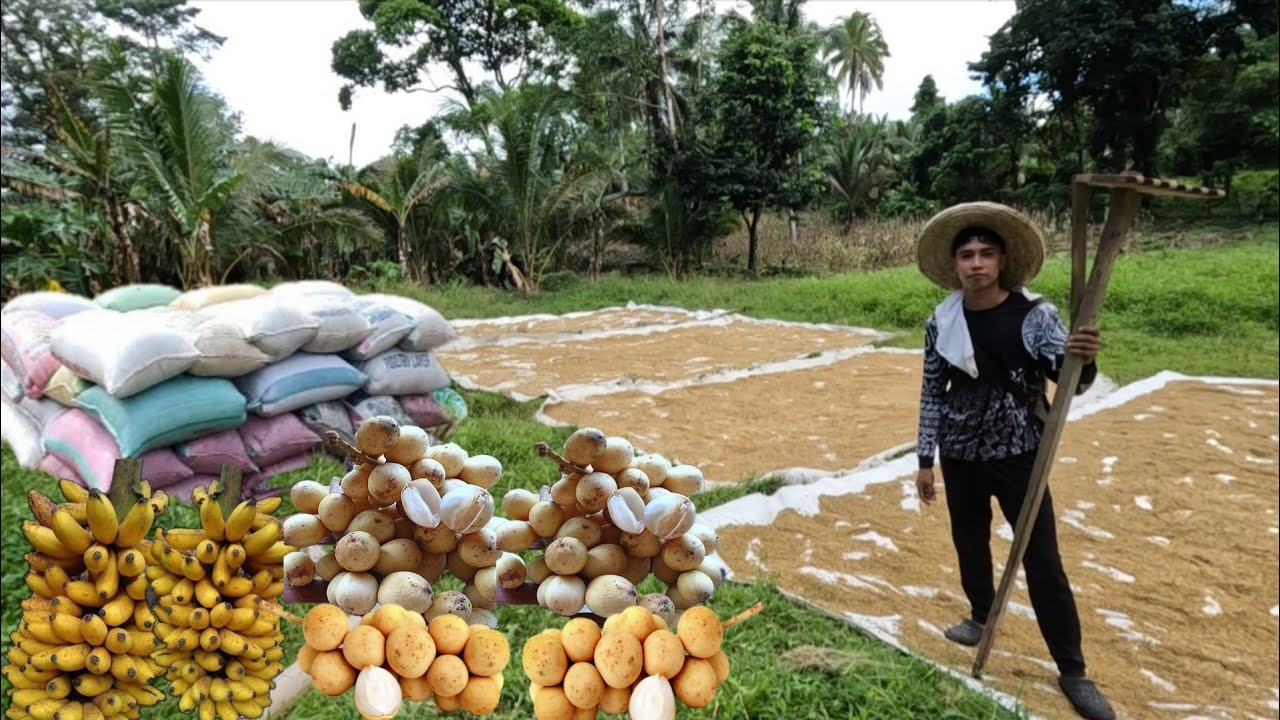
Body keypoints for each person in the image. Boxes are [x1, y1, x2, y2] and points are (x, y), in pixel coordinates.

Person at [913, 202, 1115, 720]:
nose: (975, 263)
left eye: (985, 254)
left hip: (1019, 453)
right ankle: (981, 615)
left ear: (1002, 261)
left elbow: (1069, 379)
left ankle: (1072, 669)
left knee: (1042, 560)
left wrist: (1086, 359)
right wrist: (925, 458)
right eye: (966, 255)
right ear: (955, 265)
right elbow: (933, 391)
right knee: (969, 542)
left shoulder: (1035, 315)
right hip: (960, 454)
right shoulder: (943, 319)